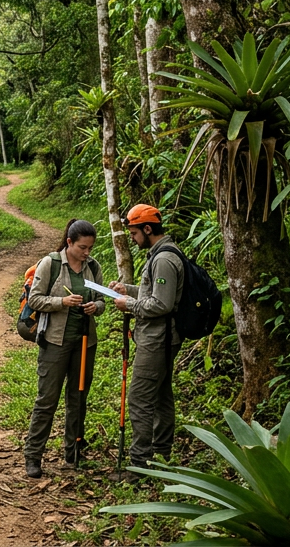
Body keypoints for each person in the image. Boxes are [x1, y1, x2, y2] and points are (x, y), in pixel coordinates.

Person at [23, 219, 106, 478]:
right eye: (82, 247)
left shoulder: (93, 267)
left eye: (90, 247)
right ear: (69, 243)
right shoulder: (51, 264)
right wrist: (62, 301)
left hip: (84, 342)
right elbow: (35, 299)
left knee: (78, 397)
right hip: (55, 342)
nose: (87, 252)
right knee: (47, 400)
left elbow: (102, 298)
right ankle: (33, 455)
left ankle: (74, 451)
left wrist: (97, 307)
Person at [108, 204, 184, 479]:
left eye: (134, 232)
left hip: (158, 339)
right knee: (162, 395)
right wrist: (127, 290)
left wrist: (128, 304)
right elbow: (155, 292)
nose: (133, 238)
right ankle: (162, 455)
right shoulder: (161, 254)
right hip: (159, 338)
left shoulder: (164, 259)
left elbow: (161, 304)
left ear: (147, 229)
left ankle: (139, 465)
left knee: (140, 398)